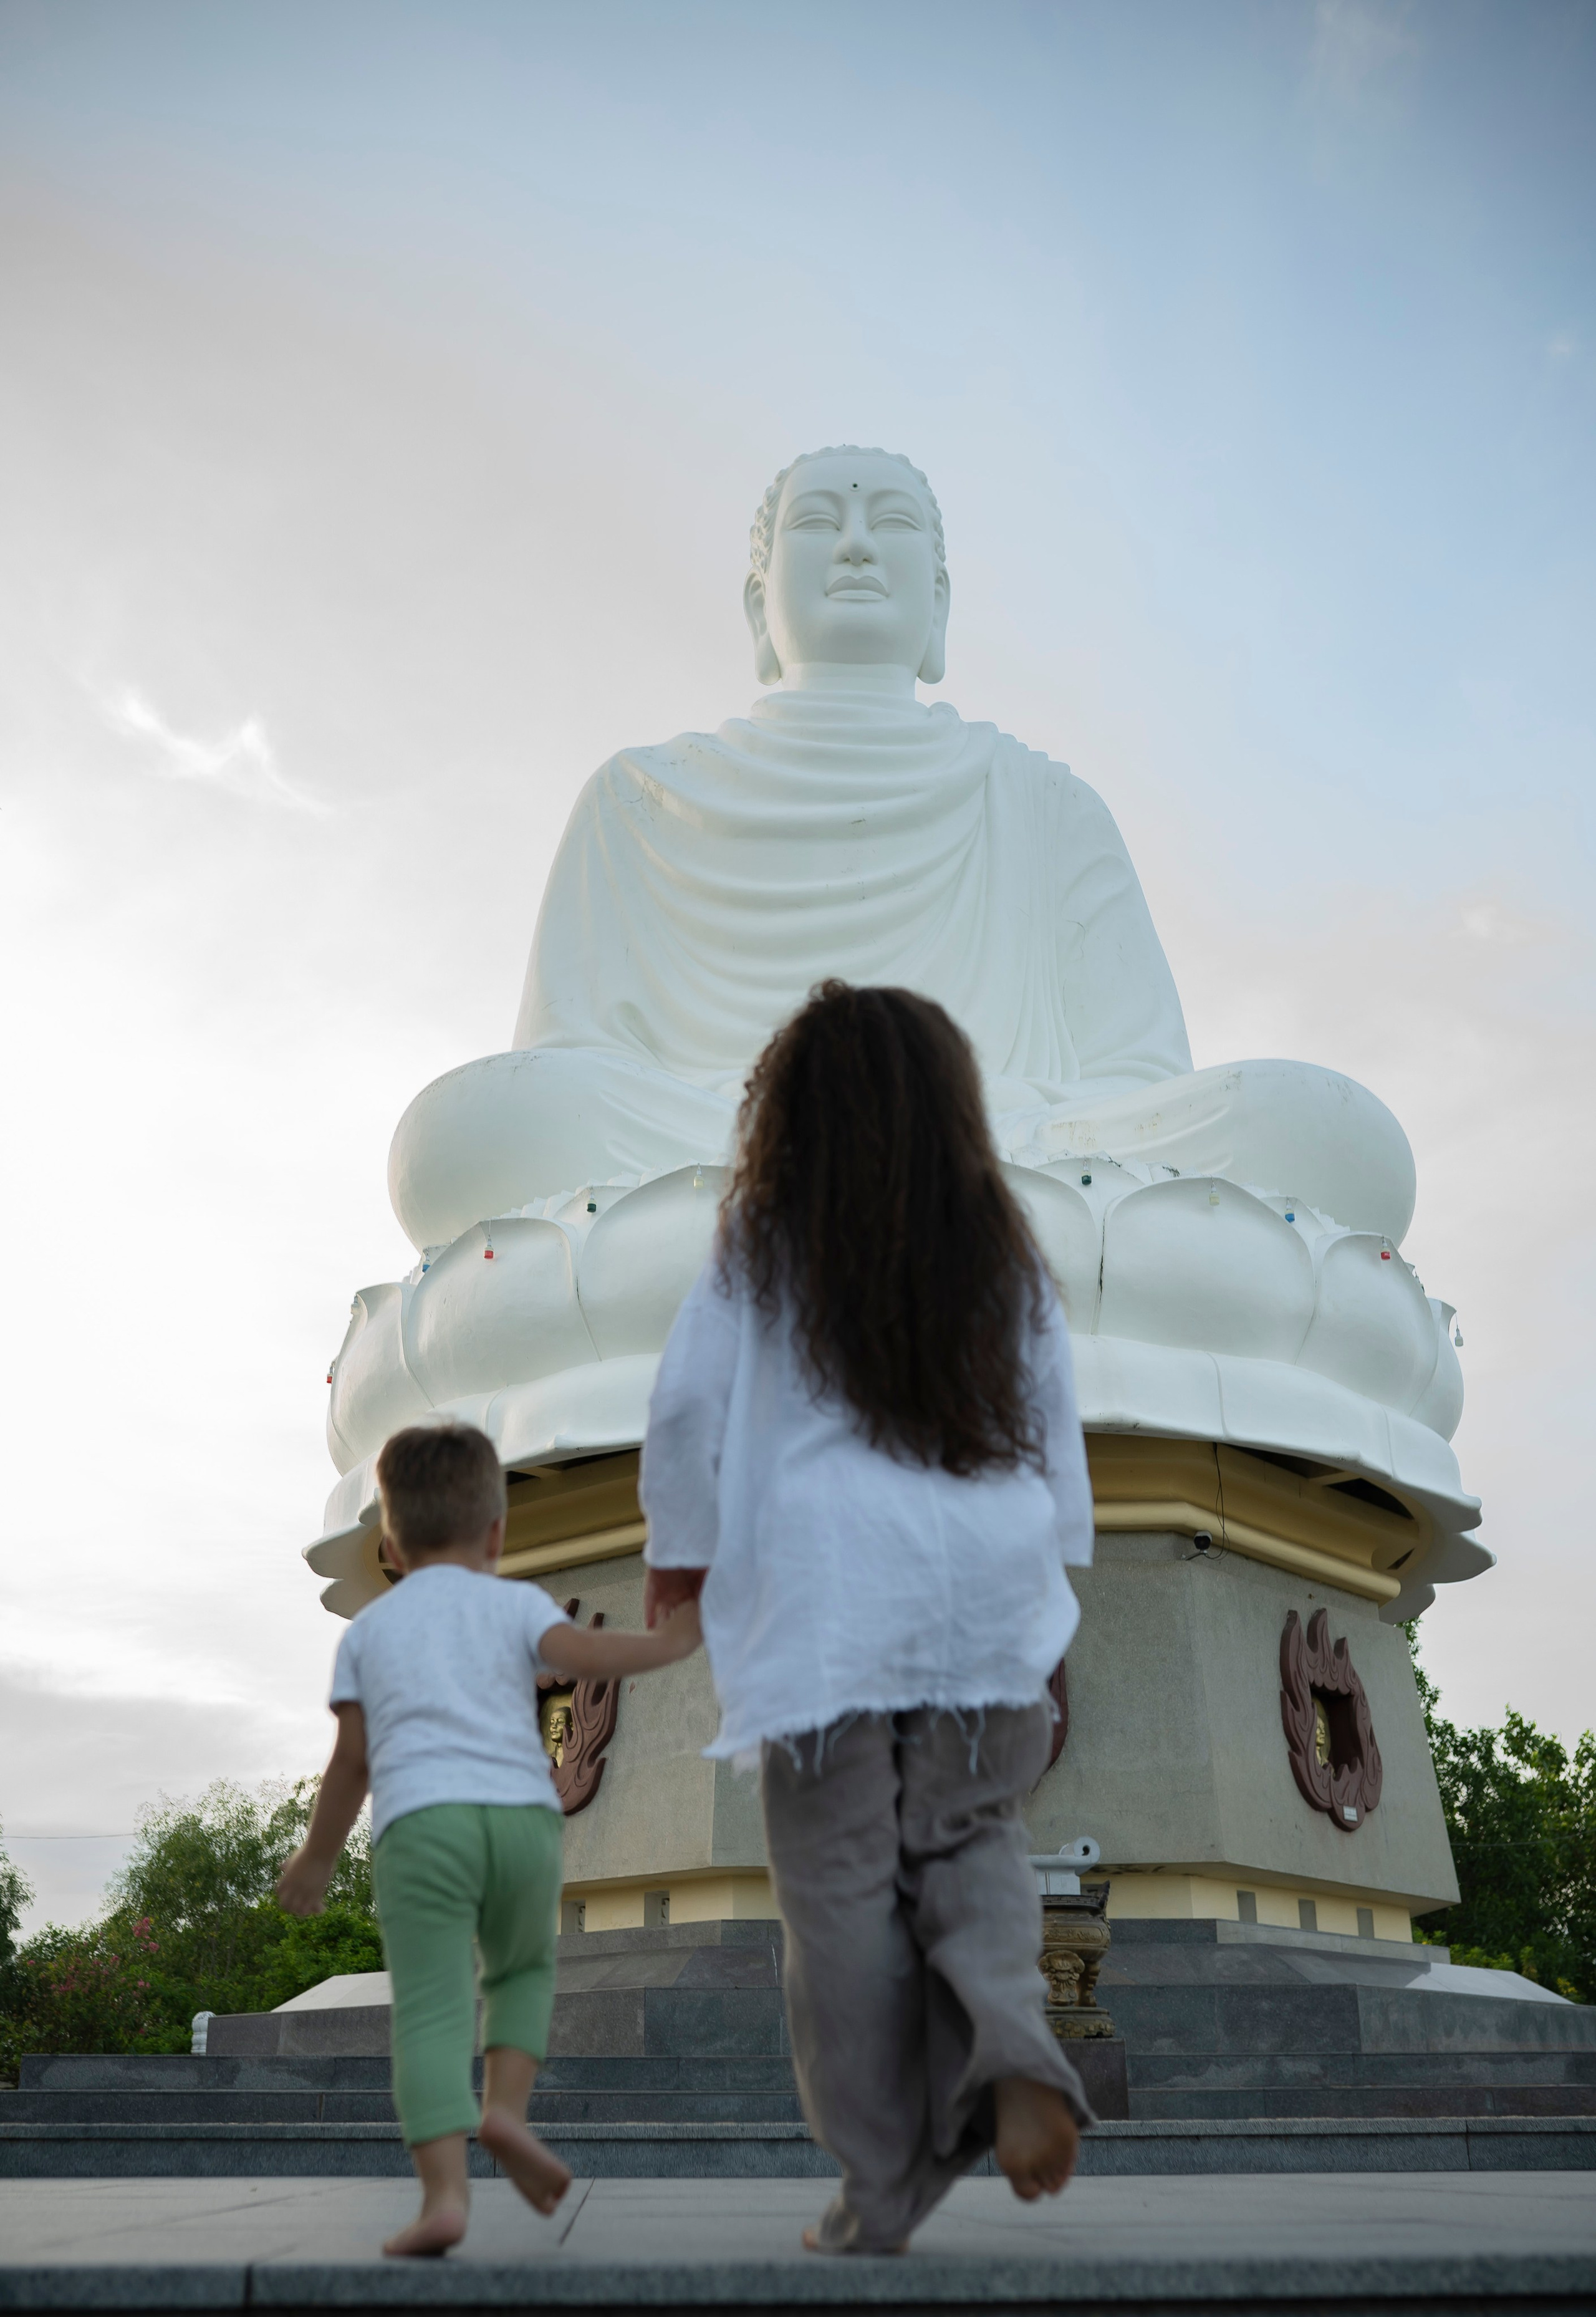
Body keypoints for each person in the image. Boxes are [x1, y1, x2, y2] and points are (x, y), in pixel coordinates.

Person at [639, 980, 1097, 2256]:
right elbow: (1054, 1421)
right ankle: (1016, 2051)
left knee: (837, 1893)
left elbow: (684, 1407)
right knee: (973, 1838)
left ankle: (881, 2184)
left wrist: (678, 1553)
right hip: (986, 1591)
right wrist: (1053, 1596)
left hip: (824, 1601)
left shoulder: (760, 1239)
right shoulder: (1000, 1244)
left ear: (786, 1113)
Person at [277, 1420, 701, 2258]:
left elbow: (353, 1761)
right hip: (520, 1822)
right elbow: (588, 1654)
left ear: (390, 1547)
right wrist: (670, 1641)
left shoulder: (368, 1635)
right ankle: (506, 2112)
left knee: (431, 2007)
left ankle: (444, 2197)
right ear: (498, 1534)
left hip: (421, 1828)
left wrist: (316, 1858)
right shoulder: (517, 1605)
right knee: (520, 1972)